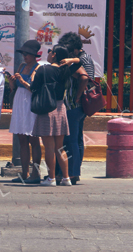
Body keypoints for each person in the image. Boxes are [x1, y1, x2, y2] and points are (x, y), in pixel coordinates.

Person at [30, 45, 82, 187]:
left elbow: (34, 87)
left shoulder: (43, 69)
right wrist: (71, 60)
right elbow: (81, 61)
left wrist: (33, 76)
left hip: (47, 109)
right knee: (60, 148)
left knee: (49, 147)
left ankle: (51, 178)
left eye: (50, 52)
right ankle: (66, 178)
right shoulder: (65, 70)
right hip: (60, 108)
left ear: (54, 55)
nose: (48, 54)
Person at [57, 32, 93, 185]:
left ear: (75, 50)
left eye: (70, 51)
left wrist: (78, 96)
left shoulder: (83, 59)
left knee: (70, 140)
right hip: (81, 106)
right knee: (77, 140)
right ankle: (75, 172)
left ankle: (71, 173)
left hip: (75, 105)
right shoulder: (85, 58)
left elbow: (84, 78)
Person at [8, 40, 42, 184]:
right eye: (23, 53)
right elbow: (13, 88)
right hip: (19, 102)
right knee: (22, 139)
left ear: (34, 55)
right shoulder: (22, 66)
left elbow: (34, 88)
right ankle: (24, 172)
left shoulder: (38, 68)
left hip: (30, 103)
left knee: (34, 139)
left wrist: (22, 81)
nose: (25, 56)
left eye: (27, 54)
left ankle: (36, 172)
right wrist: (11, 81)